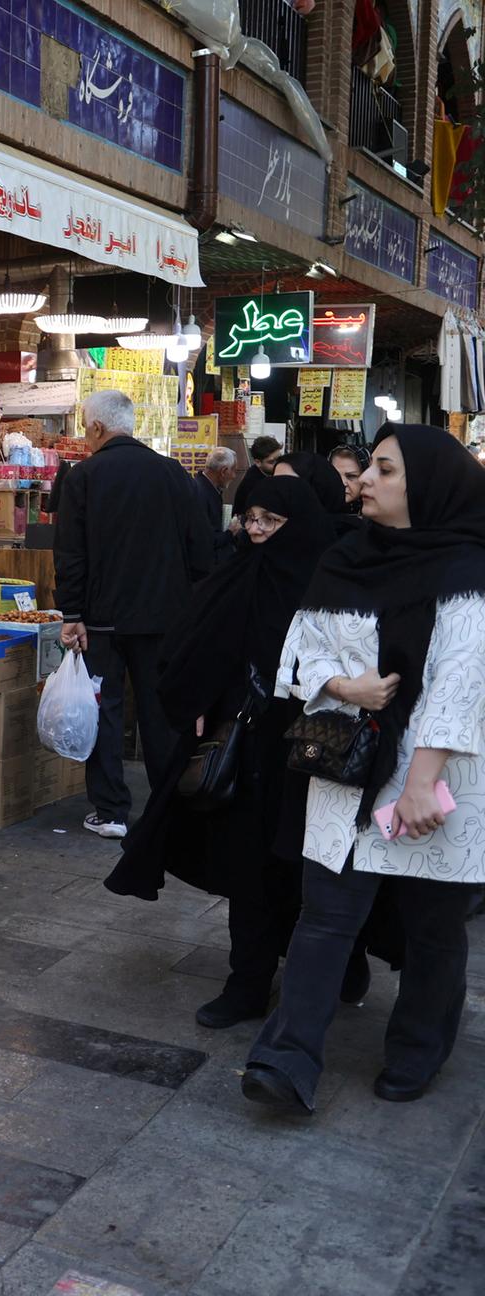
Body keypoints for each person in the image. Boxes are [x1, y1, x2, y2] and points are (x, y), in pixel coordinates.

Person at [243, 426, 485, 1112]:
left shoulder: (469, 567)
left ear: (427, 485)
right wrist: (344, 688)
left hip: (435, 782)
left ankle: (418, 1050)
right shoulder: (346, 555)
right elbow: (303, 649)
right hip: (348, 771)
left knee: (433, 931)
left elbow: (462, 681)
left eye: (383, 469)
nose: (365, 480)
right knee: (323, 920)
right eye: (368, 468)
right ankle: (285, 1061)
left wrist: (419, 780)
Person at [105, 478, 366, 1026]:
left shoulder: (334, 584)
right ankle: (247, 981)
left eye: (270, 521)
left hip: (315, 753)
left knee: (307, 865)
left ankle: (337, 960)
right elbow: (192, 647)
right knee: (248, 866)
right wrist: (197, 698)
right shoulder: (238, 575)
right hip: (248, 748)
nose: (255, 530)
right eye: (250, 518)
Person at [55, 390, 213, 840]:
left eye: (86, 428)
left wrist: (72, 613)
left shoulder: (83, 476)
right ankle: (167, 808)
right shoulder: (172, 473)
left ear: (98, 428)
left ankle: (111, 811)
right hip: (165, 620)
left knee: (105, 710)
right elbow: (200, 548)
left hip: (100, 623)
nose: (86, 438)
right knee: (160, 713)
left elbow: (70, 553)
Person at [274, 450, 361, 536]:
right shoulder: (270, 528)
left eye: (288, 485)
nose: (342, 482)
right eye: (274, 483)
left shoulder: (348, 536)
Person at [193, 446, 238, 565]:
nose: (234, 476)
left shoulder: (204, 487)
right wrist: (230, 532)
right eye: (233, 470)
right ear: (223, 471)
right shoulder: (201, 492)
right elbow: (205, 539)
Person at [232, 435, 283, 516]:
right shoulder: (253, 483)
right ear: (258, 462)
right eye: (271, 462)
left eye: (279, 458)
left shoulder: (269, 473)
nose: (278, 464)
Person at [328, 444, 369, 512]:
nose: (342, 483)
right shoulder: (317, 510)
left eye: (351, 476)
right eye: (335, 474)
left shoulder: (378, 516)